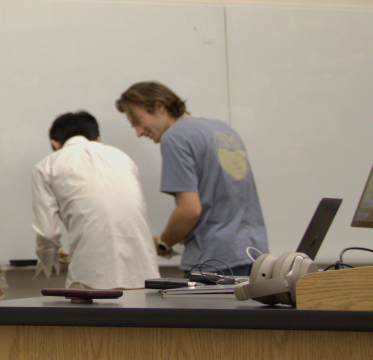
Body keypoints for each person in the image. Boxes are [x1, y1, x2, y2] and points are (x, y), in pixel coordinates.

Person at [115, 81, 268, 276]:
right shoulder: (223, 130)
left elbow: (190, 210)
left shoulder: (175, 137)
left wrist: (163, 242)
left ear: (160, 107)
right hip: (256, 257)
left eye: (138, 120)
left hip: (214, 263)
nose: (138, 132)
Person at [31, 111, 160, 289]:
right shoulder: (123, 158)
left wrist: (48, 261)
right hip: (145, 273)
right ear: (97, 138)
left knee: (90, 317)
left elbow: (48, 233)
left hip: (90, 277)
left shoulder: (47, 165)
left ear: (55, 143)